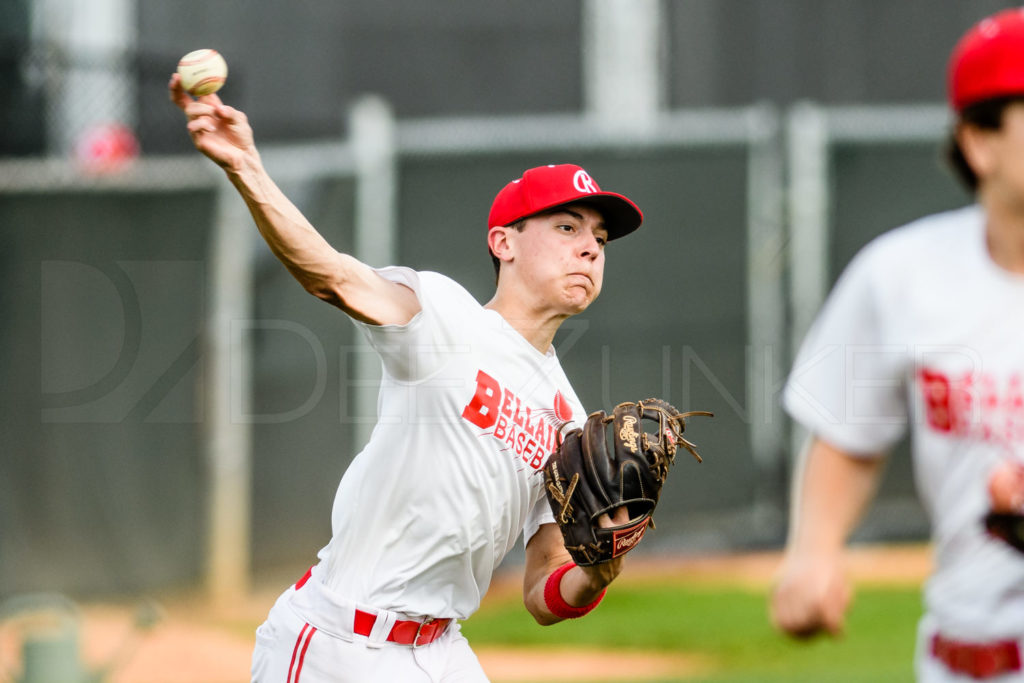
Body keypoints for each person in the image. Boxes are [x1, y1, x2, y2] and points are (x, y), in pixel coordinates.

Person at [170, 72, 646, 681]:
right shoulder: (443, 314)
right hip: (339, 642)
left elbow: (543, 589)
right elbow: (332, 276)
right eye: (567, 227)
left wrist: (598, 572)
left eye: (600, 238)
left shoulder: (572, 424)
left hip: (442, 652)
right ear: (503, 242)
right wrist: (247, 168)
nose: (590, 248)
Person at [771, 8, 1024, 682]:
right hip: (958, 659)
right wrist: (815, 550)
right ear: (979, 142)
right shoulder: (903, 274)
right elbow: (848, 433)